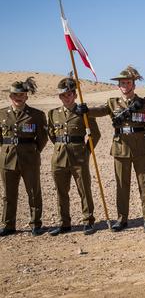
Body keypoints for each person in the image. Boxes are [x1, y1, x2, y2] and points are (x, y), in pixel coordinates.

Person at [88, 66, 145, 232]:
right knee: (121, 184)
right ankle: (122, 219)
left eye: (128, 82)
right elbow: (99, 111)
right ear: (118, 86)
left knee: (144, 184)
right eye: (122, 83)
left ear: (134, 84)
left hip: (141, 147)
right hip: (120, 147)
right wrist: (85, 110)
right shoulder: (113, 103)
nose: (125, 85)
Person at [47, 76, 101, 236]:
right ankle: (64, 223)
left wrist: (86, 151)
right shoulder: (53, 114)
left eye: (70, 94)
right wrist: (60, 148)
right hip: (59, 158)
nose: (67, 97)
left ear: (75, 95)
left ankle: (88, 221)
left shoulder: (84, 113)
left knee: (84, 189)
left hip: (79, 157)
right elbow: (51, 135)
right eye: (64, 95)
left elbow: (95, 135)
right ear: (60, 97)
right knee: (61, 191)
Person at [0, 77, 48, 237]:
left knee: (34, 192)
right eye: (15, 95)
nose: (18, 97)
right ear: (10, 96)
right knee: (8, 193)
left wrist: (33, 152)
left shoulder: (36, 115)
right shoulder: (1, 115)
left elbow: (42, 138)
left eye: (21, 95)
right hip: (7, 160)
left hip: (30, 159)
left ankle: (36, 224)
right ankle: (8, 225)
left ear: (26, 96)